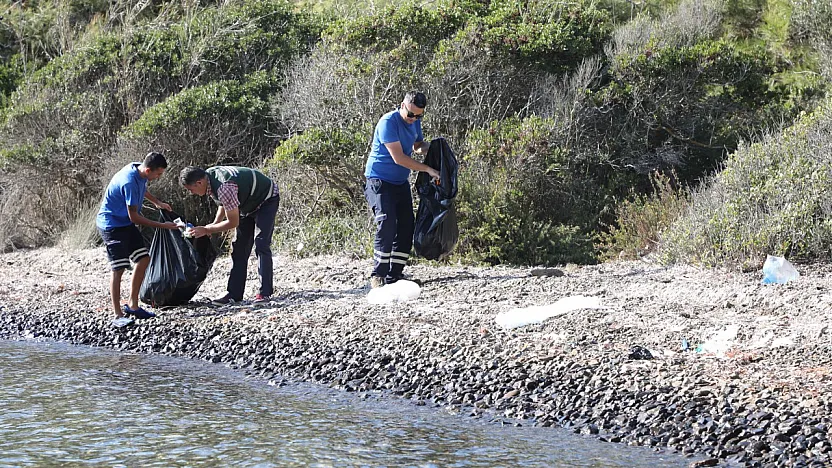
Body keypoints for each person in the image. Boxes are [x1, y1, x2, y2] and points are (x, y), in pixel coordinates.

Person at [364, 91, 440, 289]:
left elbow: (416, 146)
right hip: (379, 180)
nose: (414, 119)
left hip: (399, 182)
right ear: (402, 105)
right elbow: (399, 158)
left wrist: (431, 147)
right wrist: (427, 169)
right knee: (387, 222)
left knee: (407, 225)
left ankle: (395, 274)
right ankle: (378, 274)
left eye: (419, 116)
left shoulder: (414, 122)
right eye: (411, 114)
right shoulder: (388, 122)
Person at [96, 152, 178, 328]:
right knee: (118, 269)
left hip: (124, 223)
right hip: (111, 225)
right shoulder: (129, 181)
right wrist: (162, 225)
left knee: (143, 259)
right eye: (158, 174)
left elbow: (143, 188)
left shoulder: (138, 168)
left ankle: (133, 306)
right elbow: (135, 217)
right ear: (148, 169)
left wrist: (157, 202)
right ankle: (118, 315)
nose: (159, 177)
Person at [179, 165, 279, 305]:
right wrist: (213, 225)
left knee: (261, 243)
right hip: (246, 204)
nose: (192, 193)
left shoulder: (224, 186)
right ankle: (234, 294)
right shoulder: (209, 178)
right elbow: (223, 204)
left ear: (199, 182)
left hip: (266, 199)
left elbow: (233, 222)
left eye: (191, 189)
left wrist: (208, 230)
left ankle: (265, 293)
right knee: (239, 248)